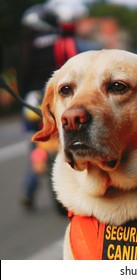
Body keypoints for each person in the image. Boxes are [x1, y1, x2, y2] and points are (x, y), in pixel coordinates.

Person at [20, 1, 101, 212]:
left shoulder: (30, 46)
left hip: (31, 103)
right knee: (68, 143)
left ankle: (29, 189)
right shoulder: (64, 43)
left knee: (36, 145)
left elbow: (24, 76)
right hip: (59, 102)